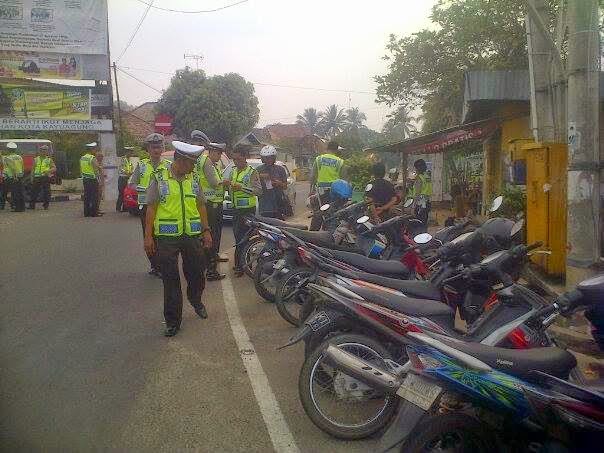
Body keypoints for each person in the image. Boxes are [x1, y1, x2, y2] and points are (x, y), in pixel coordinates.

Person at [144, 141, 212, 337]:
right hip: (166, 236)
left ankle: (195, 299)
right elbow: (151, 208)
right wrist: (148, 237)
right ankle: (173, 321)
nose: (192, 167)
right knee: (170, 280)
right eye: (190, 163)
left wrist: (206, 230)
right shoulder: (159, 178)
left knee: (198, 272)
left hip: (191, 235)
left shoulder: (194, 179)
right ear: (180, 161)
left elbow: (201, 206)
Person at [129, 133, 171, 276]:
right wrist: (142, 188)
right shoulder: (141, 166)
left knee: (162, 236)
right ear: (148, 149)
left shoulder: (168, 166)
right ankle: (154, 265)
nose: (156, 150)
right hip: (146, 206)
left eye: (159, 147)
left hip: (163, 207)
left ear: (163, 148)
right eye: (153, 147)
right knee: (149, 236)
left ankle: (162, 265)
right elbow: (132, 184)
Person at [192, 132, 228, 281]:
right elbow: (214, 183)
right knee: (212, 237)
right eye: (217, 152)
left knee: (209, 237)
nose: (219, 155)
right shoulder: (206, 162)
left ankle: (207, 263)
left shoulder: (210, 163)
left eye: (220, 153)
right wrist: (224, 182)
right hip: (210, 206)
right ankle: (211, 270)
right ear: (210, 151)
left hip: (210, 204)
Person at [226, 145, 261, 277]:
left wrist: (241, 188)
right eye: (234, 159)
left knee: (246, 239)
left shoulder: (252, 172)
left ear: (245, 157)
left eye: (238, 159)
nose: (236, 161)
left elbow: (258, 191)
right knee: (238, 238)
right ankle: (240, 265)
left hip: (247, 210)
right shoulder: (233, 171)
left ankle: (244, 266)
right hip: (236, 210)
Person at [309, 141, 345, 230]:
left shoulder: (319, 159)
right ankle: (328, 233)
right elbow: (343, 180)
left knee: (318, 214)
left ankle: (311, 236)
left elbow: (313, 177)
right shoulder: (340, 162)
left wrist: (311, 191)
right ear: (336, 150)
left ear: (327, 148)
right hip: (335, 193)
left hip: (321, 192)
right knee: (332, 214)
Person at [257, 145, 288, 219]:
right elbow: (252, 181)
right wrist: (260, 176)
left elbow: (285, 186)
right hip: (265, 205)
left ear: (274, 158)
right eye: (266, 158)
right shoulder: (258, 169)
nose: (268, 160)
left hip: (278, 203)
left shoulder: (280, 169)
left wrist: (279, 183)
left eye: (270, 157)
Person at [29, 144, 56, 210]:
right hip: (37, 177)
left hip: (45, 177)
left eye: (45, 150)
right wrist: (31, 178)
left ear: (47, 152)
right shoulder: (36, 159)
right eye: (42, 150)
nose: (44, 151)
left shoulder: (49, 160)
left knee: (46, 192)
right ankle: (32, 205)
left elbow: (54, 168)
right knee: (34, 192)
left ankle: (45, 205)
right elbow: (32, 169)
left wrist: (48, 171)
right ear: (40, 151)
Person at [409, 158, 432, 232]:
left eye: (415, 168)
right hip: (427, 201)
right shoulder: (427, 176)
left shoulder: (419, 178)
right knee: (424, 222)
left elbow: (417, 194)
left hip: (420, 203)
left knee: (418, 223)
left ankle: (419, 239)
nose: (415, 170)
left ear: (418, 168)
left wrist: (413, 207)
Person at [80, 142, 101, 217]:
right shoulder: (92, 158)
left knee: (87, 196)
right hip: (92, 180)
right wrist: (99, 180)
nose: (95, 151)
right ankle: (94, 213)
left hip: (85, 179)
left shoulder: (82, 158)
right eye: (95, 149)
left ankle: (86, 213)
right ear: (91, 150)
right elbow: (96, 170)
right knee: (94, 197)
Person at [5, 142, 25, 212]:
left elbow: (13, 168)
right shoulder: (19, 157)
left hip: (13, 177)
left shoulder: (7, 158)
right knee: (20, 192)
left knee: (15, 193)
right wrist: (21, 175)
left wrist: (14, 176)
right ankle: (23, 207)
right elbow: (22, 166)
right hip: (20, 176)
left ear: (8, 149)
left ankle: (18, 208)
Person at [116, 147, 134, 212]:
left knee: (125, 193)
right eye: (130, 152)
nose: (131, 153)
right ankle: (118, 208)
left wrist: (131, 172)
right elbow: (121, 168)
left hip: (127, 178)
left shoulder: (129, 160)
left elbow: (131, 168)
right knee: (121, 193)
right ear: (126, 152)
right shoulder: (123, 159)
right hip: (122, 178)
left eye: (131, 152)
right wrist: (127, 173)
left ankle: (125, 208)